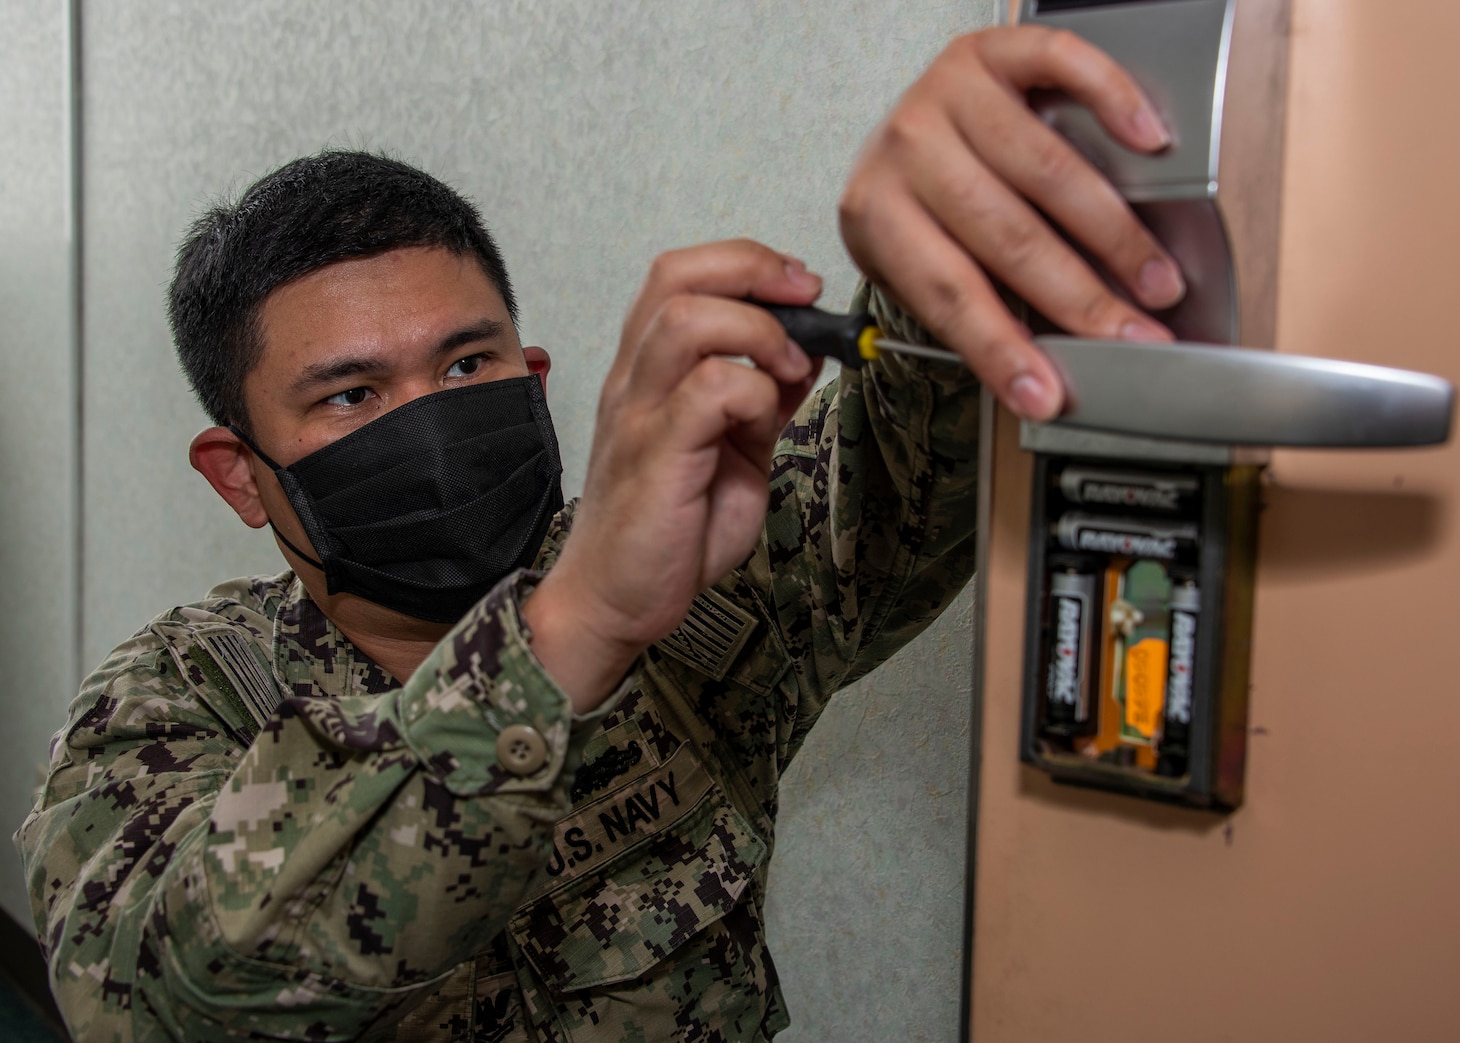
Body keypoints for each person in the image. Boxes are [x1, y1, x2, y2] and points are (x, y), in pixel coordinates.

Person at [16, 25, 1184, 1043]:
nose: (429, 423)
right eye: (351, 396)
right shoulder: (173, 711)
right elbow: (173, 1003)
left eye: (465, 364)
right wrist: (569, 629)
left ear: (529, 379)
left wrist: (950, 232)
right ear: (240, 474)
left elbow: (907, 469)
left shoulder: (693, 593)